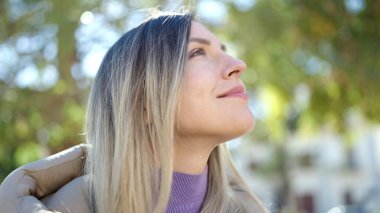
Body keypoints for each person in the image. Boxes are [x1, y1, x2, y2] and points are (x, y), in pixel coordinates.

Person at [0, 10, 268, 213]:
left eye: (225, 51)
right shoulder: (72, 206)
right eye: (198, 52)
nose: (238, 64)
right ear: (144, 104)